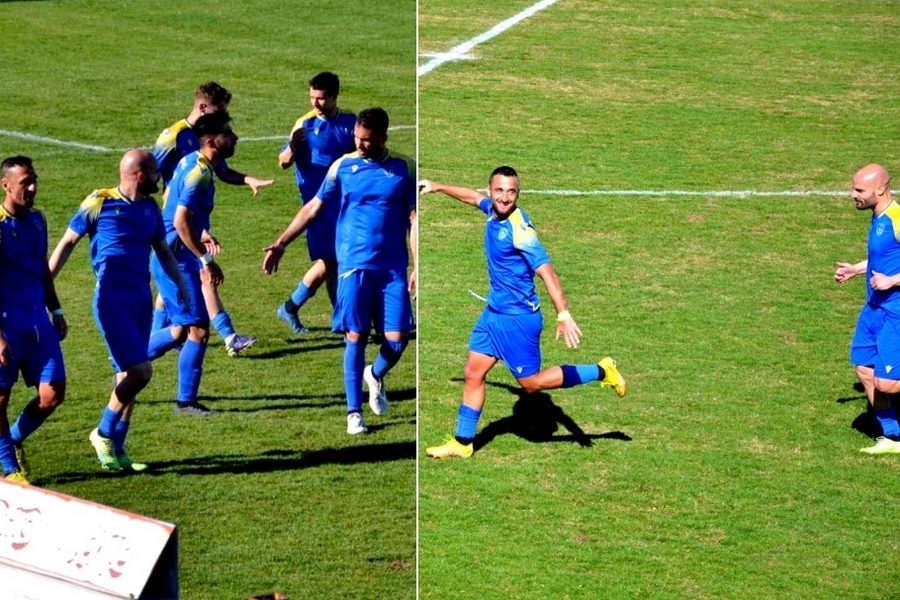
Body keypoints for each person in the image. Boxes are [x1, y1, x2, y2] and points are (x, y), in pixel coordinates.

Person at [419, 167, 626, 459]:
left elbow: (547, 273)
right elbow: (472, 197)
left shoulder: (521, 231)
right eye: (499, 190)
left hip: (517, 319)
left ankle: (602, 370)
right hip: (493, 313)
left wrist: (563, 314)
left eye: (511, 192)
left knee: (531, 384)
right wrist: (437, 186)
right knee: (473, 372)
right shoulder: (491, 210)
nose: (504, 197)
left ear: (518, 194)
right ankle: (463, 443)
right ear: (490, 190)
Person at [263, 107, 417, 434]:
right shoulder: (342, 167)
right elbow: (314, 207)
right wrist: (281, 242)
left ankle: (374, 374)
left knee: (398, 340)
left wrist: (417, 265)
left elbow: (414, 219)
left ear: (383, 137)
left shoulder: (405, 168)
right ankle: (354, 413)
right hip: (352, 265)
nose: (360, 144)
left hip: (392, 268)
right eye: (357, 138)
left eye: (367, 140)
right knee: (355, 336)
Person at [49, 150, 188, 472]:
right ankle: (103, 432)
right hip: (111, 301)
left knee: (127, 377)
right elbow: (68, 242)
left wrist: (180, 284)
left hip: (140, 298)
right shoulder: (98, 202)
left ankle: (117, 450)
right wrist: (46, 285)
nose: (159, 177)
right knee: (141, 372)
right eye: (154, 172)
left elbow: (162, 249)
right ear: (139, 175)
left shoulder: (150, 208)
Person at [152, 81, 272, 356]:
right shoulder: (173, 138)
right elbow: (148, 176)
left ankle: (154, 346)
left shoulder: (205, 154)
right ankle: (141, 353)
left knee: (180, 295)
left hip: (187, 224)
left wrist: (247, 179)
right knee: (194, 294)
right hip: (176, 227)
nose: (224, 120)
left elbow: (221, 170)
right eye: (219, 113)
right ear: (204, 108)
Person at [146, 110, 236, 416]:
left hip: (175, 255)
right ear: (211, 141)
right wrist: (206, 259)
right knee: (197, 330)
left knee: (181, 330)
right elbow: (181, 221)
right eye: (227, 134)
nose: (234, 138)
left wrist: (201, 233)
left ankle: (128, 360)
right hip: (174, 259)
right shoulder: (200, 174)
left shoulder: (192, 162)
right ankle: (185, 402)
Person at [0, 156, 67, 484]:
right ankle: (9, 469)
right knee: (0, 399)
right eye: (25, 182)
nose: (32, 187)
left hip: (38, 323)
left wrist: (56, 310)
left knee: (53, 394)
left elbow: (42, 269)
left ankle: (12, 439)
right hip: (7, 327)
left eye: (34, 180)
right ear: (6, 185)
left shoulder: (38, 220)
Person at [274, 71, 356, 335]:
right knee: (333, 262)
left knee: (339, 259)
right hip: (317, 206)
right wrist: (293, 146)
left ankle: (290, 306)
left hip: (346, 203)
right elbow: (283, 162)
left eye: (321, 98)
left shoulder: (350, 122)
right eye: (312, 97)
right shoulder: (304, 124)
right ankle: (343, 322)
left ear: (334, 96)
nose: (315, 103)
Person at [835, 163, 900, 454]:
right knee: (864, 369)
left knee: (886, 384)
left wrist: (892, 281)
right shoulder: (878, 217)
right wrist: (856, 269)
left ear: (880, 189)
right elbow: (882, 258)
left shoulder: (897, 219)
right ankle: (894, 437)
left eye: (859, 190)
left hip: (895, 311)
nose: (853, 195)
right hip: (873, 308)